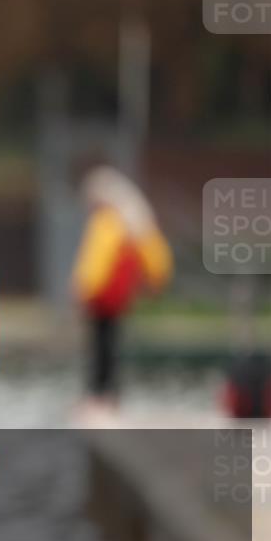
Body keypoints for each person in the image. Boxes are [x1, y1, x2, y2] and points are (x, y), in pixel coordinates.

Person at [71, 161, 173, 407]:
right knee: (109, 343)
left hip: (103, 297)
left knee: (100, 345)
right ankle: (108, 393)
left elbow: (96, 261)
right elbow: (156, 257)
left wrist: (81, 289)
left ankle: (99, 393)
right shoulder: (132, 223)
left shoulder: (107, 222)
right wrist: (156, 280)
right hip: (117, 297)